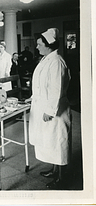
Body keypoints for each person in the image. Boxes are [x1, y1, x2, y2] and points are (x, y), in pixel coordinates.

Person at [27, 28, 71, 190]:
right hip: (45, 107)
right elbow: (40, 85)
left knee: (59, 142)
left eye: (39, 44)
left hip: (56, 111)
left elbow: (56, 89)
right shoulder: (46, 59)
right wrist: (32, 98)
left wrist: (50, 110)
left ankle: (62, 177)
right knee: (51, 141)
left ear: (49, 45)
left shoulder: (57, 62)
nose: (37, 47)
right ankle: (54, 170)